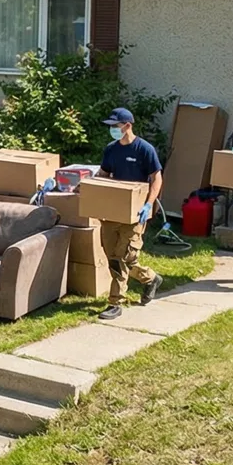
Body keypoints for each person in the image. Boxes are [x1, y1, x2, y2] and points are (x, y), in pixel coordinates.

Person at [95, 106, 164, 320]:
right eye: (111, 127)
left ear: (127, 126)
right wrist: (89, 185)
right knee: (113, 255)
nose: (113, 130)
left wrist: (148, 204)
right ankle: (150, 278)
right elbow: (104, 174)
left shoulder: (144, 149)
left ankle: (115, 302)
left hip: (135, 213)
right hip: (112, 211)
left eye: (116, 126)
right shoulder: (111, 149)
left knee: (122, 256)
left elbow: (156, 178)